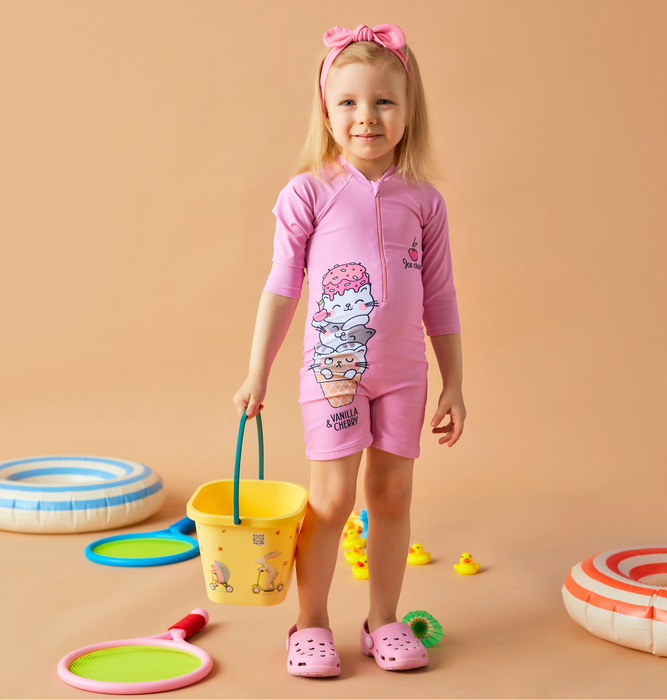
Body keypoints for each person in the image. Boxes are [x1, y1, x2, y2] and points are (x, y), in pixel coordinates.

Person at [233, 22, 465, 677]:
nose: (367, 117)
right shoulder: (308, 192)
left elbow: (441, 297)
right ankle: (309, 624)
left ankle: (383, 619)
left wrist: (454, 381)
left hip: (405, 374)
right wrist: (257, 372)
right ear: (327, 110)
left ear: (409, 110)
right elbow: (282, 287)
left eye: (384, 101)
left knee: (391, 495)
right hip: (333, 372)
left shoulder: (424, 202)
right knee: (332, 501)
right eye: (350, 102)